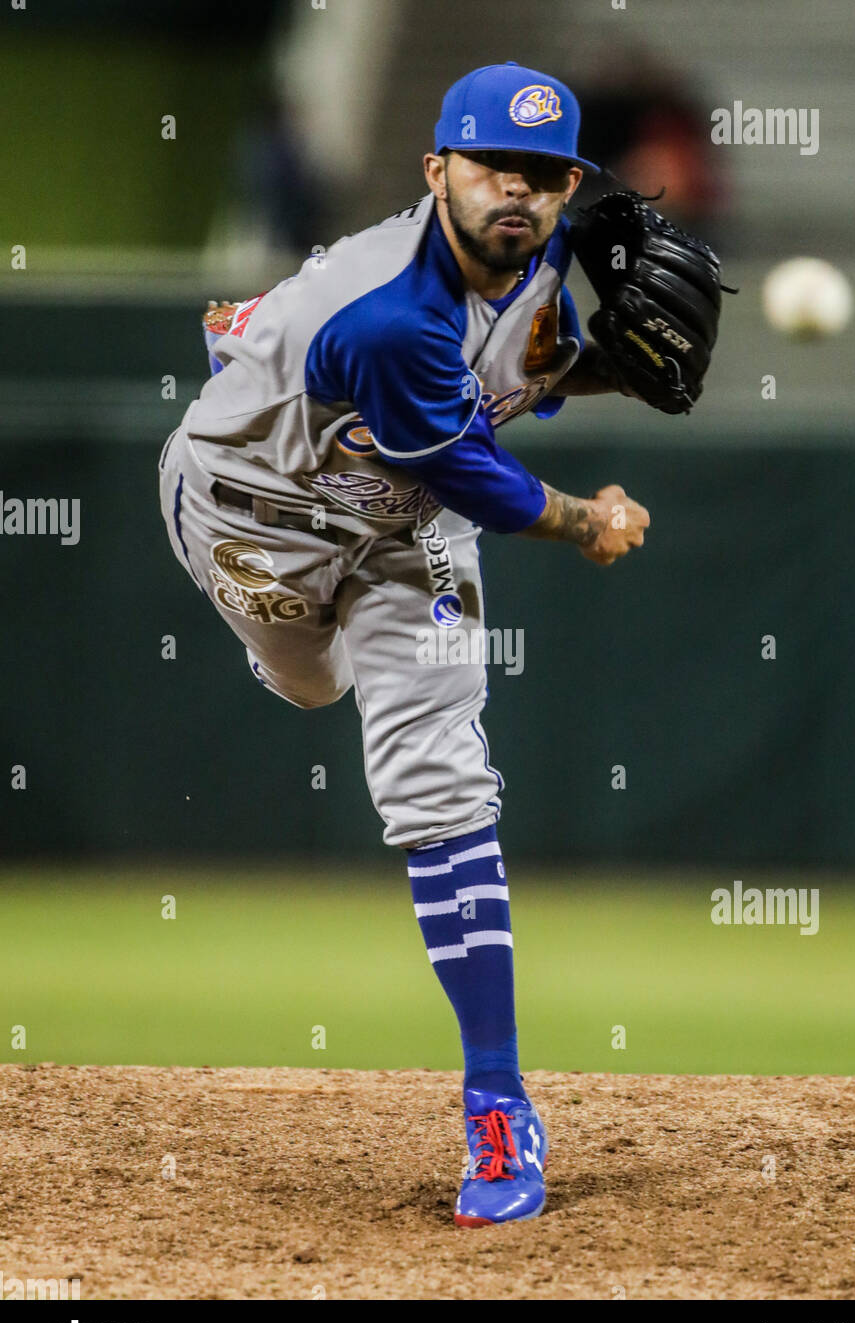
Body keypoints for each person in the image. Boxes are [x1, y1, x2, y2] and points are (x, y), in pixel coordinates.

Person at [158, 61, 650, 1227]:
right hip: (252, 512)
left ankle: (496, 1099)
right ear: (438, 171)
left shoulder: (541, 276)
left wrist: (626, 368)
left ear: (567, 186)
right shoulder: (387, 310)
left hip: (402, 531)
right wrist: (586, 520)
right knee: (312, 683)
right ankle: (303, 646)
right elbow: (468, 471)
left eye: (541, 175)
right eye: (491, 168)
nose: (515, 194)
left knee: (438, 775)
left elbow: (532, 380)